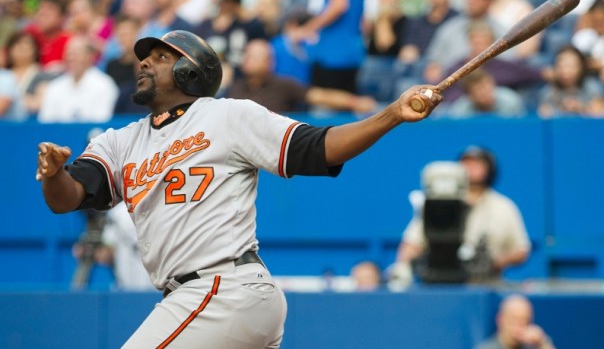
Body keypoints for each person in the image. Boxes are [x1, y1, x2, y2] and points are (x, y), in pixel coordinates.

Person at [35, 29, 441, 348]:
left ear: (190, 71)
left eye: (161, 57)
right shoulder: (119, 142)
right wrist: (55, 174)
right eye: (145, 56)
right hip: (204, 299)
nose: (144, 62)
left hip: (221, 289)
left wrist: (389, 116)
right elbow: (69, 198)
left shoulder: (227, 116)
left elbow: (318, 149)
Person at [390, 146, 531, 287]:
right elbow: (411, 243)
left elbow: (521, 250)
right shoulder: (439, 205)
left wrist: (495, 261)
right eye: (466, 163)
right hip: (441, 286)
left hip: (486, 285)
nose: (471, 168)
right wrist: (403, 267)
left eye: (477, 163)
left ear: (489, 168)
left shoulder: (504, 207)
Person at [225, 39, 377, 113]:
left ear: (269, 62)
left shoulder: (284, 85)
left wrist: (355, 102)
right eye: (247, 54)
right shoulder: (235, 88)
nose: (248, 59)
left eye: (255, 56)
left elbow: (319, 96)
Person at [475, 294, 556, 349]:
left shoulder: (533, 347)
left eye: (524, 322)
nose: (518, 327)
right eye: (514, 321)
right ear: (500, 320)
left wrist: (542, 342)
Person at [445, 68, 526, 118]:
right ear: (470, 96)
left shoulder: (511, 101)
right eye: (478, 90)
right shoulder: (459, 111)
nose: (485, 92)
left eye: (487, 86)